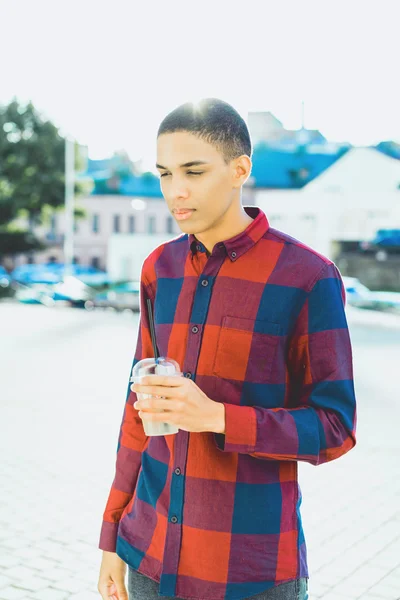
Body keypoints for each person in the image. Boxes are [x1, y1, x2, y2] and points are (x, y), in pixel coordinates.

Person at [97, 98, 357, 600]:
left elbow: (336, 428)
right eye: (165, 174)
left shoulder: (307, 277)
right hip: (147, 556)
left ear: (240, 170)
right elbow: (137, 412)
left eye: (193, 171)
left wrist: (218, 416)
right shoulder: (159, 270)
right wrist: (112, 536)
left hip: (249, 571)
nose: (176, 191)